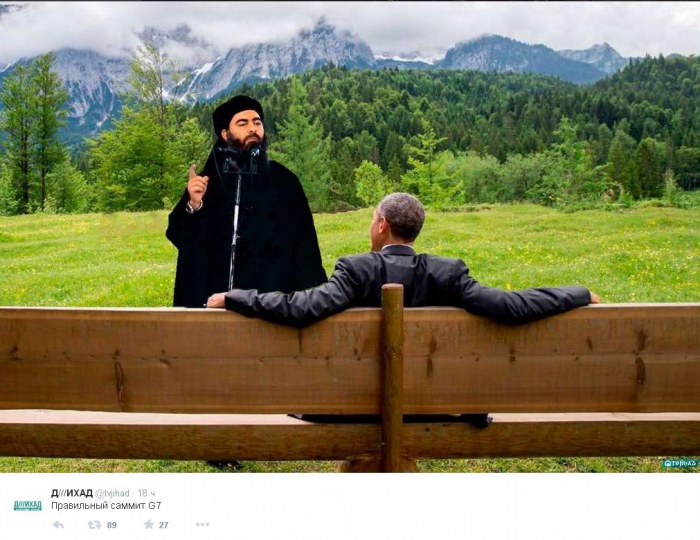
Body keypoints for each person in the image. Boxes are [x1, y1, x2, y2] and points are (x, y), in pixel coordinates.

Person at [207, 192, 599, 324]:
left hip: (355, 407)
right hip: (434, 404)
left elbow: (300, 308)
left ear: (381, 225)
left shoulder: (355, 270)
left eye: (371, 219)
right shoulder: (448, 273)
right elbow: (512, 306)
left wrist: (236, 297)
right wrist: (578, 293)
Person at [165, 94, 327, 309]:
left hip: (268, 304)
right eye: (242, 123)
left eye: (257, 122)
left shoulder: (284, 181)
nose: (253, 128)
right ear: (225, 134)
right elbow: (178, 236)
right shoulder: (206, 182)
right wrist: (194, 206)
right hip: (210, 303)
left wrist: (309, 298)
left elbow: (305, 244)